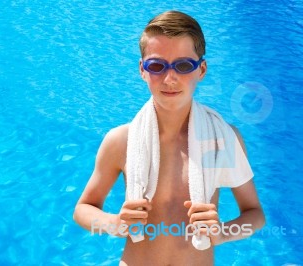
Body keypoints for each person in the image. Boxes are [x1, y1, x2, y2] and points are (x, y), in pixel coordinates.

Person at [73, 10, 265, 265]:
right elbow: (83, 209)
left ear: (202, 69)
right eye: (157, 65)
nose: (170, 78)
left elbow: (255, 214)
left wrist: (222, 234)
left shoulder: (223, 139)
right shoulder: (121, 140)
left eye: (184, 65)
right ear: (142, 70)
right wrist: (115, 224)